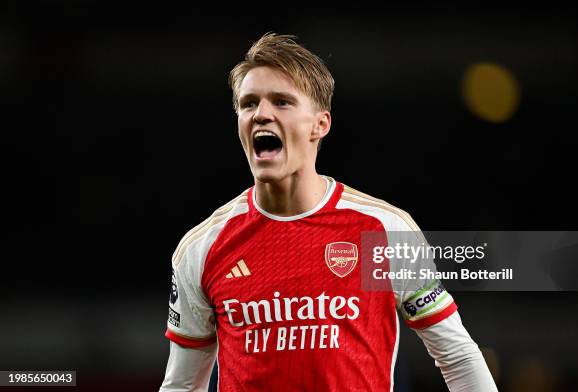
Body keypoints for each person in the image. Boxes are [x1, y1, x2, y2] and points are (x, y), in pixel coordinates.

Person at [159, 32, 497, 391]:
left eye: (282, 102)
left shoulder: (382, 230)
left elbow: (458, 356)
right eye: (248, 104)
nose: (261, 114)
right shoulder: (203, 248)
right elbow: (181, 386)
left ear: (320, 124)